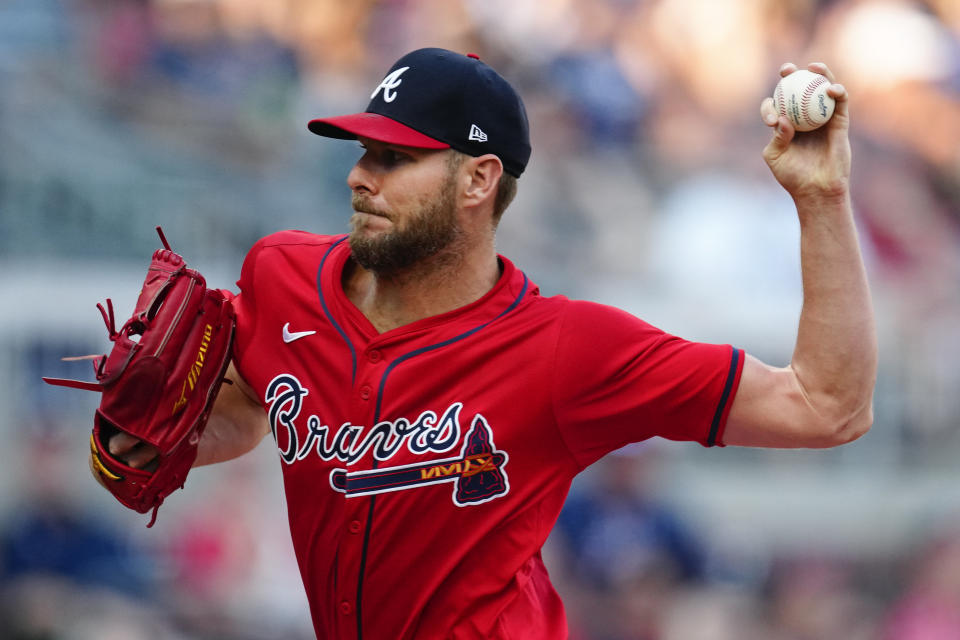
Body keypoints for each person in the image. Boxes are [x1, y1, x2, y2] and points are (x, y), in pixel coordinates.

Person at [105, 48, 877, 639]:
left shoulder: (568, 351)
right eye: (361, 151)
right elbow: (252, 408)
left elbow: (825, 407)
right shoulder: (282, 277)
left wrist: (823, 198)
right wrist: (148, 438)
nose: (359, 177)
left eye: (394, 158)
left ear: (478, 181)